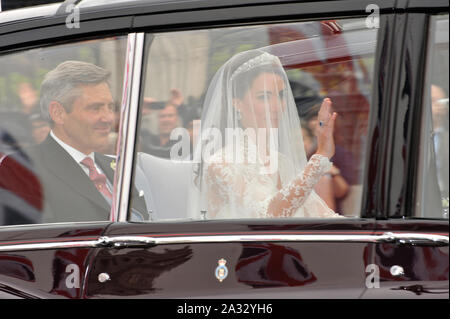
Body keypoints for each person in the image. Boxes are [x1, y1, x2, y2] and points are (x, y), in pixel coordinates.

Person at [189, 49, 343, 219]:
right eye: (264, 97)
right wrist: (320, 157)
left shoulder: (282, 162)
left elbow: (323, 216)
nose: (277, 106)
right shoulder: (220, 164)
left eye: (280, 95)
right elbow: (267, 216)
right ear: (237, 104)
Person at [0, 60, 147, 223]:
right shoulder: (23, 167)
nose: (109, 118)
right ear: (58, 113)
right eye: (95, 108)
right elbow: (36, 242)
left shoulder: (117, 167)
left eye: (110, 107)